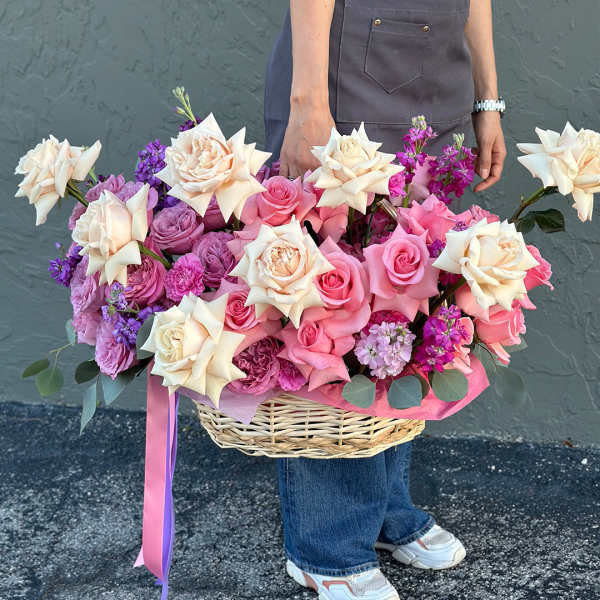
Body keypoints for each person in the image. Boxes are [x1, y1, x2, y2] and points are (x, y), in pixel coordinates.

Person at [263, 2, 506, 599]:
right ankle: (326, 544)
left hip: (435, 79)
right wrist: (307, 104)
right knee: (334, 314)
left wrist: (487, 101)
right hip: (347, 80)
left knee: (404, 317)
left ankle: (379, 506)